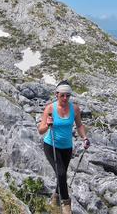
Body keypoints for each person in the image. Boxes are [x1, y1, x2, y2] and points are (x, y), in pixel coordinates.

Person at [38, 80, 90, 214]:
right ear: (56, 94)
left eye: (68, 95)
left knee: (61, 174)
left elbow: (79, 125)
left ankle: (55, 199)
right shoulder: (50, 108)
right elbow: (41, 130)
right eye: (62, 95)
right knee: (61, 173)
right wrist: (48, 124)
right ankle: (66, 205)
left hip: (67, 147)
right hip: (51, 145)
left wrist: (84, 138)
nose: (65, 98)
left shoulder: (75, 109)